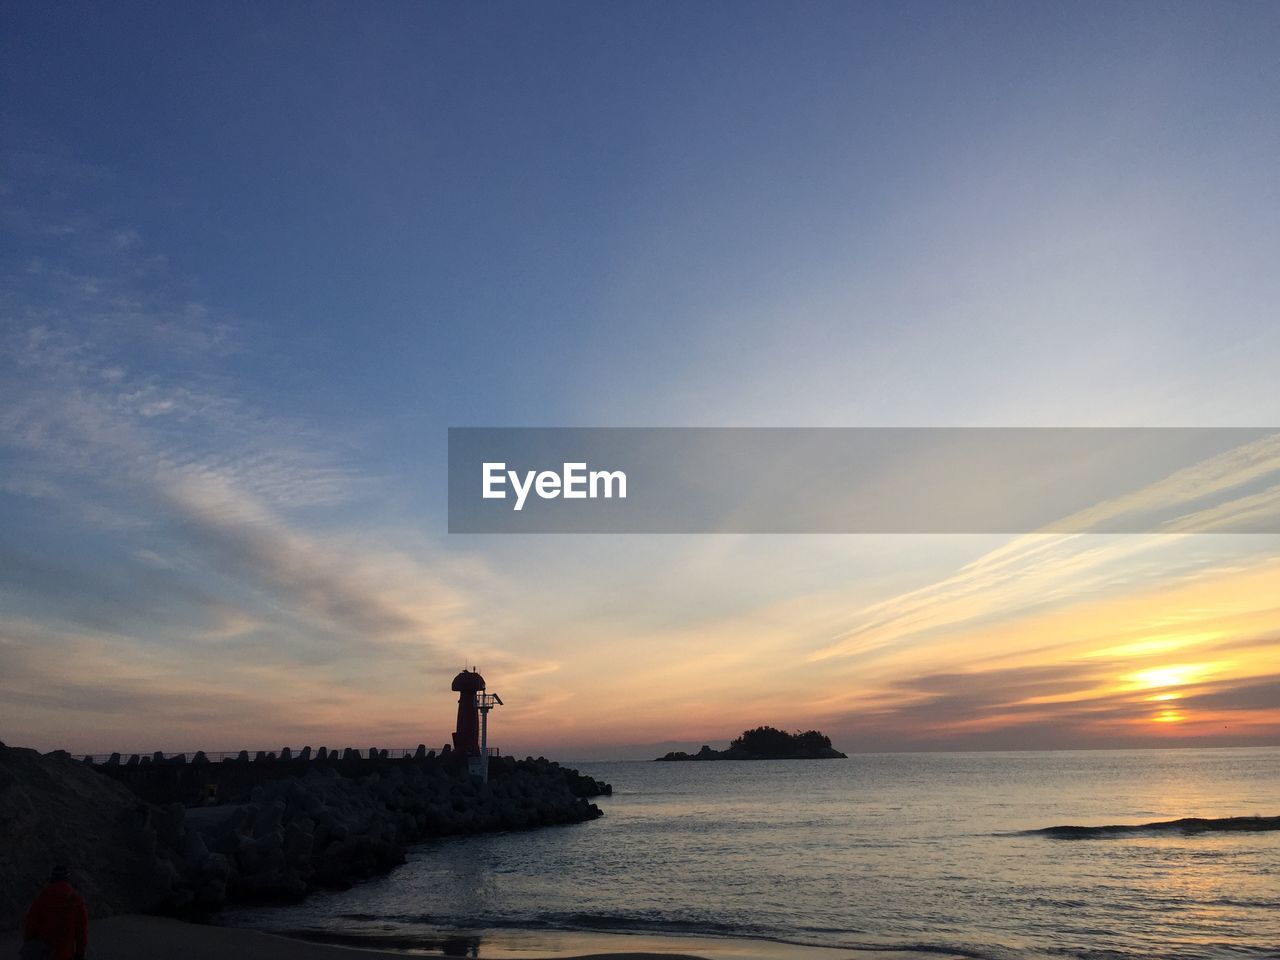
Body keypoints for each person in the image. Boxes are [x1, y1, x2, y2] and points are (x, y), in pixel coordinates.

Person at [21, 864, 88, 960]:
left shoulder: (41, 900)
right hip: (66, 954)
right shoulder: (76, 901)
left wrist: (30, 947)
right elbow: (81, 931)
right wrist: (80, 953)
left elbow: (30, 926)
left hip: (43, 953)